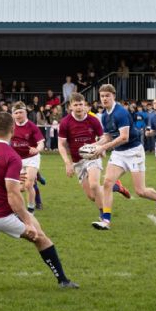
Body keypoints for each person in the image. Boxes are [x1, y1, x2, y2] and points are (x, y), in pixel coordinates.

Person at [0, 111, 78, 289]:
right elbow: (13, 194)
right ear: (13, 129)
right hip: (2, 215)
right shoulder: (11, 155)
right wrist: (27, 222)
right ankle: (63, 280)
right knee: (40, 238)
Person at [91, 85, 156, 231]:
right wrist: (94, 145)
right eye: (102, 96)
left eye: (107, 96)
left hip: (134, 152)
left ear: (113, 96)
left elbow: (124, 137)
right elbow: (108, 136)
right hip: (119, 153)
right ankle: (106, 220)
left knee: (140, 191)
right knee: (108, 183)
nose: (104, 99)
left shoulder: (120, 113)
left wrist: (103, 148)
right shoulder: (104, 115)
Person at [58, 93, 106, 221]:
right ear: (70, 106)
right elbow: (61, 144)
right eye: (76, 105)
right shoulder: (65, 122)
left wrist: (97, 147)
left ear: (85, 105)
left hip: (92, 157)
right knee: (91, 196)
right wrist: (67, 163)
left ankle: (104, 215)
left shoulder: (93, 120)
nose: (79, 107)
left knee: (94, 185)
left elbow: (103, 138)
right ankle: (114, 186)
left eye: (81, 104)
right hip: (77, 161)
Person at [10, 101, 45, 213]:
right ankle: (37, 176)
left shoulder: (32, 126)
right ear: (12, 115)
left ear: (25, 113)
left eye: (21, 112)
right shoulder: (10, 127)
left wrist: (37, 149)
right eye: (16, 113)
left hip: (31, 158)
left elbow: (41, 143)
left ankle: (30, 209)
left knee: (29, 184)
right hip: (17, 160)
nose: (18, 115)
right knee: (20, 188)